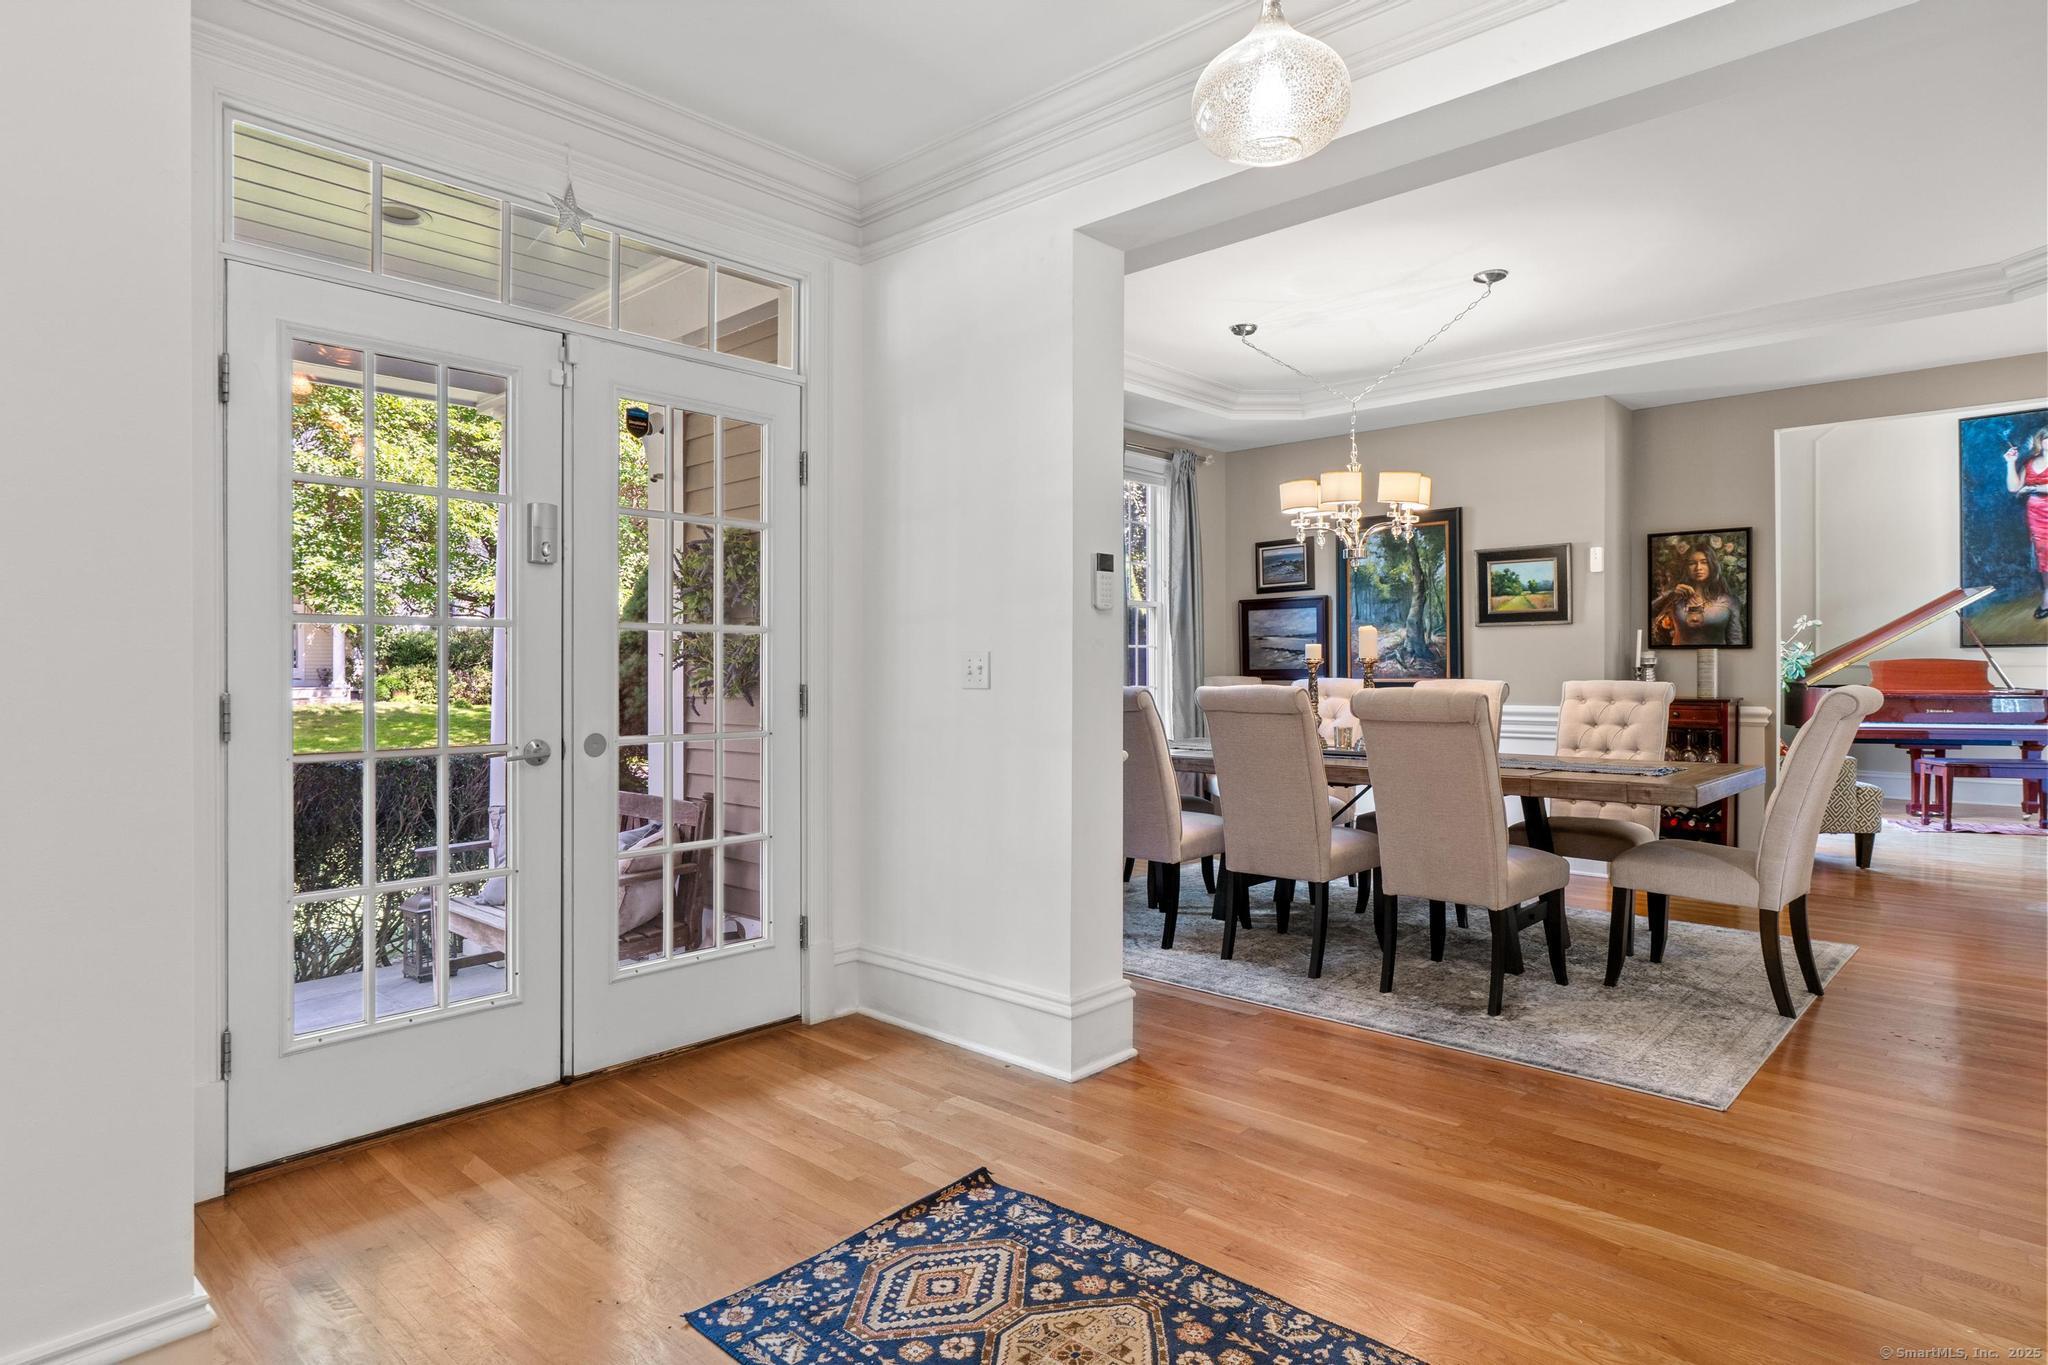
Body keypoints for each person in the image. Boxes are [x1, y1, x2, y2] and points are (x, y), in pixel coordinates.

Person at [1651, 541, 1745, 646]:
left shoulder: (1729, 601)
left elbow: (1735, 639)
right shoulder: (1677, 597)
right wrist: (1671, 594)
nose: (1698, 568)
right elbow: (1649, 612)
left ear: (1712, 565)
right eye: (1692, 563)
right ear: (1686, 567)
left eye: (1704, 562)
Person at [2003, 426, 2048, 620]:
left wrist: (2032, 487)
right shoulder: (2030, 462)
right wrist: (2011, 463)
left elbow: (2033, 487)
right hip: (2037, 514)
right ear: (2041, 440)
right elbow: (2013, 488)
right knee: (2044, 556)